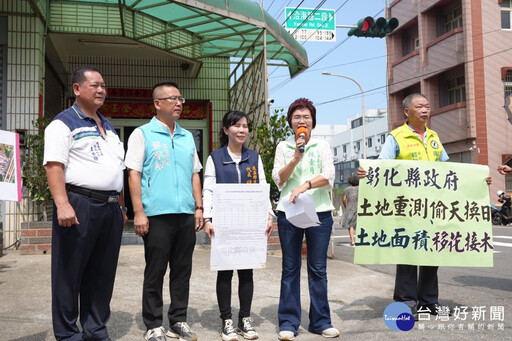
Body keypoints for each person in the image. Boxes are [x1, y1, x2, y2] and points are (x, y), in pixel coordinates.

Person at [357, 93, 491, 318]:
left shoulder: (434, 137)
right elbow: (383, 166)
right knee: (408, 253)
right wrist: (367, 172)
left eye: (428, 106)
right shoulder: (396, 137)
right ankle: (406, 301)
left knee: (432, 253)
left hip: (432, 208)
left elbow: (448, 170)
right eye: (420, 106)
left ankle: (429, 302)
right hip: (408, 207)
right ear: (407, 112)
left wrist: (477, 178)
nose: (425, 110)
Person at [43, 65, 128, 341]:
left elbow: (116, 170)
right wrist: (62, 204)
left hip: (111, 208)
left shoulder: (109, 125)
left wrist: (122, 206)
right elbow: (54, 165)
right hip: (80, 205)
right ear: (77, 89)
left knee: (102, 273)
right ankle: (68, 333)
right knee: (69, 272)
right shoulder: (63, 123)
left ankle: (95, 328)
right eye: (94, 85)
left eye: (103, 85)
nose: (101, 89)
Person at [125, 81, 203, 341]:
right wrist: (138, 212)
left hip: (185, 215)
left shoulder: (187, 136)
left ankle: (178, 320)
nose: (179, 103)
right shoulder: (142, 134)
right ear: (158, 104)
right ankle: (153, 323)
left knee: (182, 271)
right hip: (156, 215)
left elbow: (194, 174)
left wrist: (199, 206)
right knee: (155, 270)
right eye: (173, 98)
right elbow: (133, 174)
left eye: (181, 98)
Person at [202, 110, 274, 341]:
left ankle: (245, 319)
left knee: (246, 271)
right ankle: (227, 321)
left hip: (250, 223)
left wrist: (269, 215)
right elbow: (209, 189)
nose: (242, 130)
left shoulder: (254, 158)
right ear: (226, 130)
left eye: (245, 126)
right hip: (224, 223)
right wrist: (207, 219)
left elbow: (263, 187)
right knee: (224, 273)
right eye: (236, 126)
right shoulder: (215, 157)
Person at [272, 98, 340, 340]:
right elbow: (278, 179)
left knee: (318, 269)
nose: (302, 121)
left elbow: (329, 175)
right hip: (288, 212)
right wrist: (295, 159)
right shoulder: (283, 146)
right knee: (290, 267)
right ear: (291, 122)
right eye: (297, 117)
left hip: (320, 211)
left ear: (313, 121)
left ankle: (321, 321)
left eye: (306, 117)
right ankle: (288, 322)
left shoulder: (322, 145)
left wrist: (305, 186)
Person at [341, 175, 359, 246]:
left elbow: (344, 199)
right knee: (359, 224)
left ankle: (352, 241)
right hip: (359, 208)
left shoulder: (347, 189)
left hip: (350, 208)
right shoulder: (360, 189)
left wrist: (346, 206)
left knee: (350, 225)